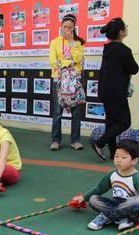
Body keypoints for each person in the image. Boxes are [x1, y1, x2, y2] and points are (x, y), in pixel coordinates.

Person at [71, 139, 139, 231]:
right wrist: (83, 197)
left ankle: (105, 217)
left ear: (134, 160)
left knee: (135, 203)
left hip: (134, 209)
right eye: (116, 156)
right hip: (117, 204)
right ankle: (122, 218)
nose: (118, 160)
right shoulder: (112, 174)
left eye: (123, 157)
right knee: (93, 199)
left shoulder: (137, 177)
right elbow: (99, 189)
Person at [92, 18, 139, 161]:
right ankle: (100, 143)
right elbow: (134, 69)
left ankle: (114, 154)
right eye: (125, 27)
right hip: (116, 92)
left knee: (111, 122)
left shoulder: (108, 49)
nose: (127, 29)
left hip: (105, 91)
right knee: (125, 122)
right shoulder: (123, 50)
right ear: (121, 32)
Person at [49, 14, 85, 151]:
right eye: (65, 27)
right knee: (58, 112)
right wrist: (69, 63)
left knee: (76, 112)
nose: (67, 30)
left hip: (74, 81)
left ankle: (75, 140)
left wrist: (71, 43)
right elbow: (53, 61)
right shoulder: (54, 42)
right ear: (61, 27)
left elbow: (79, 58)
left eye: (70, 27)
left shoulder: (78, 43)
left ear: (74, 28)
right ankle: (55, 140)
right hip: (58, 79)